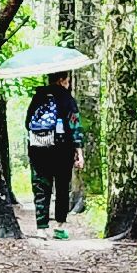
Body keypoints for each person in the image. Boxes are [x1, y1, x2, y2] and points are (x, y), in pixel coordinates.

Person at [25, 71, 86, 239]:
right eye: (67, 81)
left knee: (41, 187)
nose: (68, 84)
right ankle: (59, 228)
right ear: (60, 81)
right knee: (61, 188)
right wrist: (79, 153)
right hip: (62, 151)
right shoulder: (67, 99)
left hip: (38, 150)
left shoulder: (38, 97)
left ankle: (41, 228)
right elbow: (75, 126)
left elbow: (27, 123)